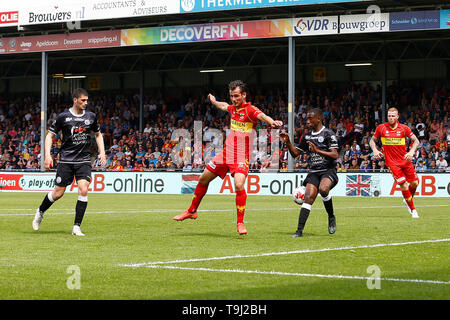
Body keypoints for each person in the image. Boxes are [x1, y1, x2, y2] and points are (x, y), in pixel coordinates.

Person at [172, 80, 283, 235]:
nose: (234, 99)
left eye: (236, 96)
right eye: (232, 96)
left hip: (240, 156)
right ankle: (191, 211)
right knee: (203, 179)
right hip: (225, 154)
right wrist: (214, 101)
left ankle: (240, 223)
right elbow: (224, 105)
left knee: (238, 185)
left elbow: (262, 115)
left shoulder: (250, 110)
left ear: (244, 95)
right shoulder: (233, 108)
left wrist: (272, 122)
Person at [32, 88, 106, 236]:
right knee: (58, 193)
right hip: (66, 160)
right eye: (83, 100)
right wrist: (48, 155)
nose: (86, 103)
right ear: (75, 100)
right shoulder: (63, 117)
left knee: (83, 188)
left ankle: (76, 227)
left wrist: (102, 152)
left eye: (87, 100)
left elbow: (98, 135)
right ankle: (40, 211)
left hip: (84, 160)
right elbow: (49, 136)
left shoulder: (91, 117)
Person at [280, 108, 339, 238]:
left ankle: (331, 217)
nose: (307, 121)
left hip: (328, 170)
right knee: (308, 198)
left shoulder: (329, 134)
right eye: (307, 118)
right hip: (314, 171)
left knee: (324, 189)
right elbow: (295, 154)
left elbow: (335, 155)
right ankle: (299, 231)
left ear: (318, 118)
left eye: (310, 118)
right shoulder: (307, 136)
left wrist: (317, 150)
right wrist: (288, 142)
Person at [369, 107, 420, 218]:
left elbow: (416, 141)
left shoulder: (404, 128)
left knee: (415, 183)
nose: (391, 118)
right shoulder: (381, 128)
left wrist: (411, 152)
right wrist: (375, 150)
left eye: (393, 116)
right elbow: (372, 140)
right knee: (404, 184)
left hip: (405, 161)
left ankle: (407, 199)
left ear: (397, 117)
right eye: (389, 116)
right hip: (392, 163)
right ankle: (413, 210)